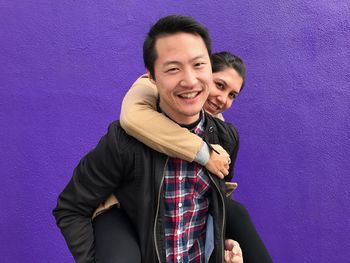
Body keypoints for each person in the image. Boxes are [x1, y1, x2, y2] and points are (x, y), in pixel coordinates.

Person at [53, 15, 243, 263]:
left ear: (210, 65)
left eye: (198, 65)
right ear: (151, 77)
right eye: (173, 68)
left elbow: (218, 205)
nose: (189, 80)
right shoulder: (124, 142)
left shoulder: (225, 138)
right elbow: (71, 207)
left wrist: (222, 247)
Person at [93, 52, 272, 263]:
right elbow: (133, 117)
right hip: (133, 202)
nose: (223, 99)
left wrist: (223, 242)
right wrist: (205, 153)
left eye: (233, 95)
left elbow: (219, 185)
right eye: (220, 85)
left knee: (236, 213)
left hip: (187, 206)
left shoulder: (218, 126)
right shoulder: (155, 88)